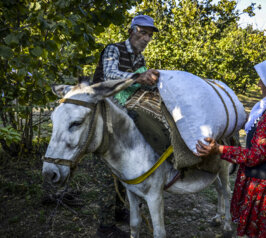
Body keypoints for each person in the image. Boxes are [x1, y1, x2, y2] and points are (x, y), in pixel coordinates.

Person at [195, 57, 266, 238]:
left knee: (264, 232)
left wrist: (219, 150)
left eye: (262, 79)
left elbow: (256, 155)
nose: (258, 84)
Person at [93, 15, 160, 238]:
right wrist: (139, 77)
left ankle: (120, 209)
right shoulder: (114, 50)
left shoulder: (139, 58)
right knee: (106, 168)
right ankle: (104, 227)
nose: (148, 38)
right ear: (134, 30)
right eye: (145, 33)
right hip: (102, 111)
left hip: (121, 114)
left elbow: (140, 85)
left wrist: (155, 83)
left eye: (150, 35)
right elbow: (111, 75)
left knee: (123, 162)